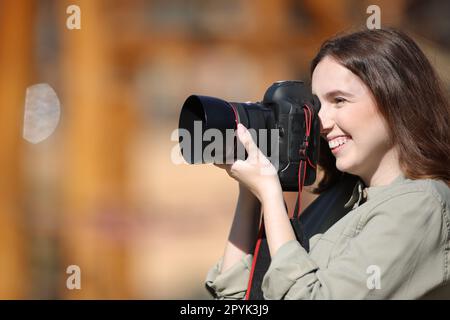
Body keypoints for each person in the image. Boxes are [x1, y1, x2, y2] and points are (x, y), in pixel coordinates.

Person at [204, 28, 450, 299]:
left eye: (339, 101)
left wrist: (271, 195)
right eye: (318, 106)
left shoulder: (419, 206)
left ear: (395, 98)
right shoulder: (341, 198)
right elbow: (238, 301)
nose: (322, 122)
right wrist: (251, 193)